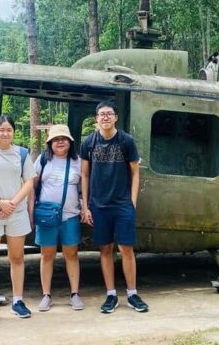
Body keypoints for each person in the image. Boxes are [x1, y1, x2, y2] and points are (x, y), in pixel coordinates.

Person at [80, 100, 149, 313]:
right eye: (102, 114)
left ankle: (132, 293)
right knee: (105, 249)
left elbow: (136, 172)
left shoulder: (126, 141)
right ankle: (111, 295)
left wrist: (132, 201)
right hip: (99, 205)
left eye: (109, 114)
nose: (106, 117)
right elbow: (84, 174)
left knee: (126, 248)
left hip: (122, 205)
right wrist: (86, 206)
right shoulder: (88, 142)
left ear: (115, 117)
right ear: (96, 119)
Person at [0, 115, 36, 324]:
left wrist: (11, 204)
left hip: (16, 213)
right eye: (1, 129)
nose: (5, 133)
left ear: (13, 132)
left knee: (17, 258)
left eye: (9, 129)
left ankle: (18, 301)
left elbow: (29, 182)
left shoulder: (22, 153)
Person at [31, 124, 85, 312]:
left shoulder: (78, 161)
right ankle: (46, 294)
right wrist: (30, 210)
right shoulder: (43, 160)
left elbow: (84, 188)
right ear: (50, 143)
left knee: (71, 254)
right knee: (47, 255)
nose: (60, 142)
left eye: (63, 139)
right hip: (46, 216)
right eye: (55, 139)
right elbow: (32, 185)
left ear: (70, 142)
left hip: (70, 215)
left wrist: (85, 207)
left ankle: (75, 294)